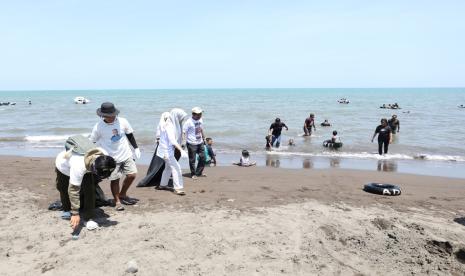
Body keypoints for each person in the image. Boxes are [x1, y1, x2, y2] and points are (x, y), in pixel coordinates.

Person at [90, 102, 140, 211]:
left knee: (132, 175)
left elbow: (129, 134)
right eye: (108, 116)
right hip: (111, 158)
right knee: (115, 179)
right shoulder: (98, 127)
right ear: (103, 116)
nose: (111, 118)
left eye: (113, 115)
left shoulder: (123, 121)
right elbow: (92, 141)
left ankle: (122, 194)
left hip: (126, 154)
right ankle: (117, 201)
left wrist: (136, 148)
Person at [55, 147, 116, 231]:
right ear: (94, 167)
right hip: (63, 166)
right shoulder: (79, 165)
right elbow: (73, 190)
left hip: (88, 166)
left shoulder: (105, 158)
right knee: (64, 188)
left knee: (89, 190)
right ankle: (67, 209)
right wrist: (75, 213)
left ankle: (88, 217)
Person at [155, 112, 188, 195]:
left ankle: (163, 185)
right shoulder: (169, 126)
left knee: (168, 168)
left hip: (164, 150)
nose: (181, 120)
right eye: (180, 118)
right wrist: (181, 150)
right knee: (176, 168)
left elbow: (159, 137)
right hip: (167, 152)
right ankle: (178, 188)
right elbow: (172, 140)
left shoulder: (164, 124)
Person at [183, 107, 206, 179]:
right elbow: (184, 132)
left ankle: (199, 172)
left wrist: (204, 138)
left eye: (201, 114)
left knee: (203, 158)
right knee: (192, 160)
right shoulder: (188, 122)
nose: (200, 115)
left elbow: (201, 129)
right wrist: (183, 142)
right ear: (193, 114)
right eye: (199, 114)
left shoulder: (200, 120)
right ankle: (193, 174)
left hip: (200, 142)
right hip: (191, 143)